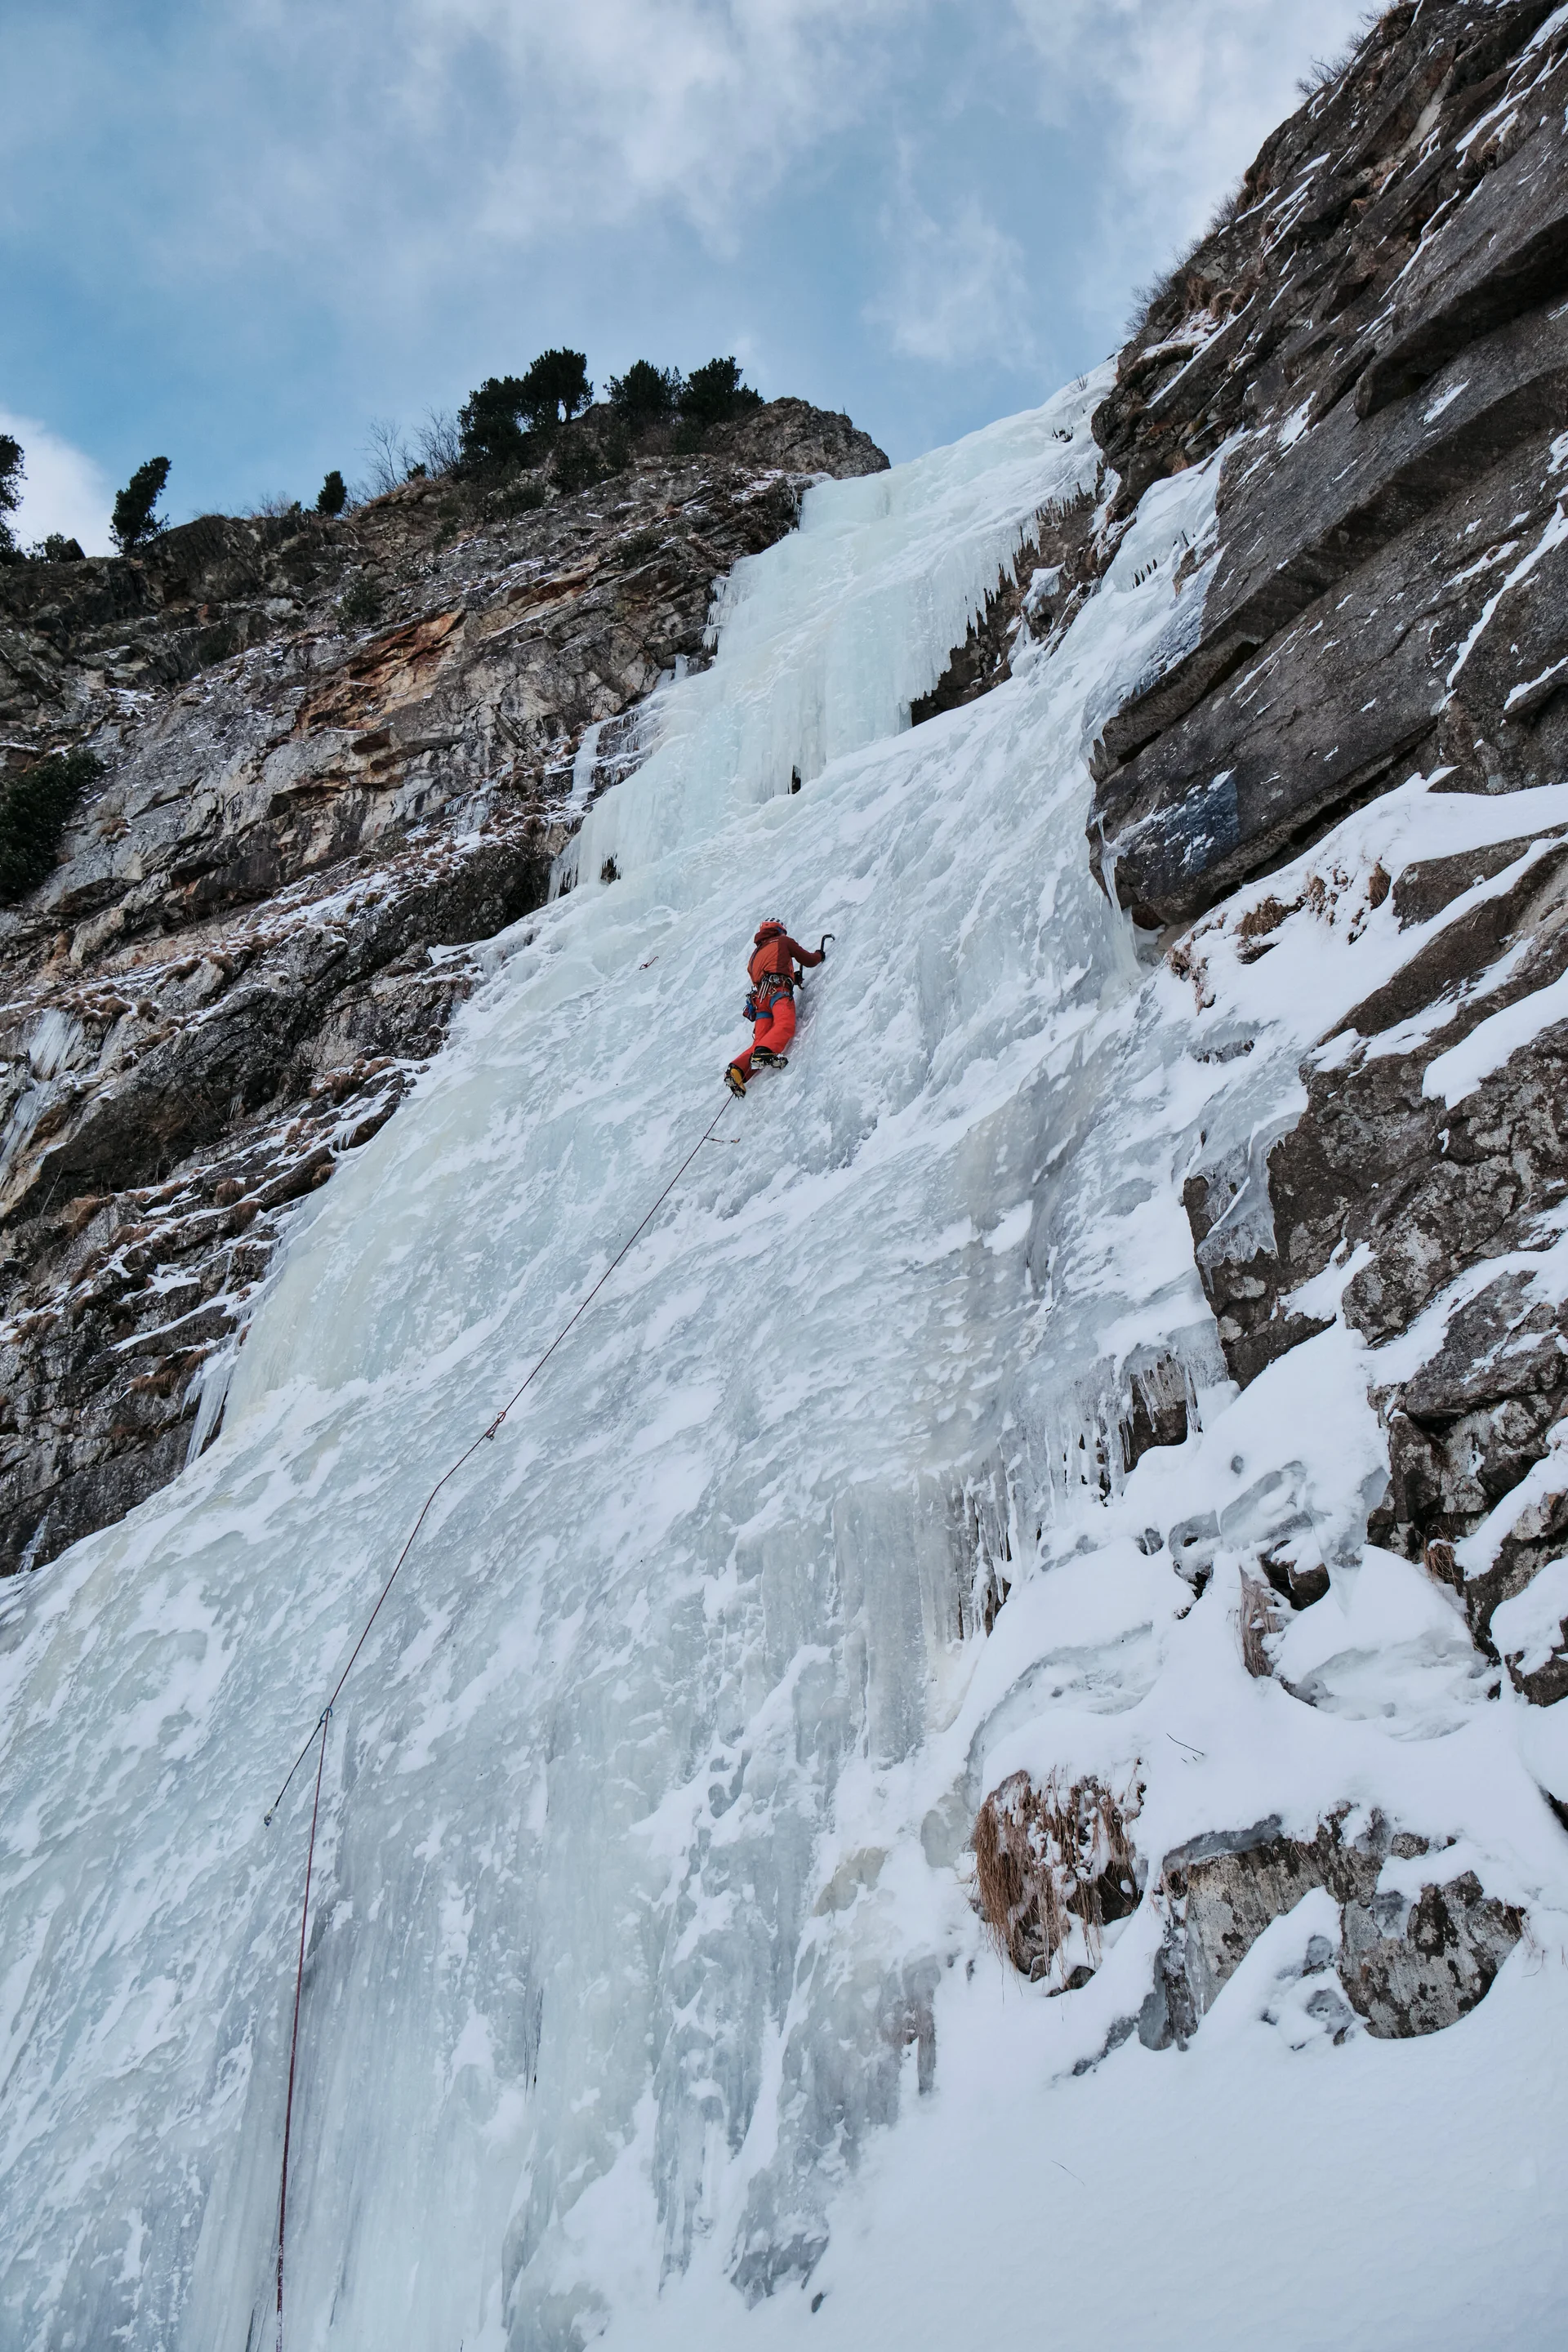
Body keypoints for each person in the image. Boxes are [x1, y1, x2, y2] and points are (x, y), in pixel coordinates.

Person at [725, 919, 830, 1097]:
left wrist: (792, 978)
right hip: (777, 992)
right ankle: (764, 1053)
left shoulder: (754, 956)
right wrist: (820, 955)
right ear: (779, 931)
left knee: (761, 1039)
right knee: (784, 1024)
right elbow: (808, 960)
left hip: (760, 1000)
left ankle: (737, 1070)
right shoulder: (783, 941)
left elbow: (769, 970)